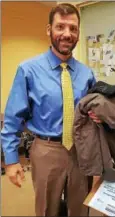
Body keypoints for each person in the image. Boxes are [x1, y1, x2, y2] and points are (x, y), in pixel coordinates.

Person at [1, 3, 101, 216]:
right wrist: (11, 160)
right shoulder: (28, 70)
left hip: (80, 151)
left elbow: (93, 115)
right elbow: (12, 118)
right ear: (49, 30)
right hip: (46, 151)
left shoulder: (87, 74)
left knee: (80, 209)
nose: (67, 34)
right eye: (60, 27)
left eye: (73, 28)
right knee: (47, 209)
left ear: (78, 33)